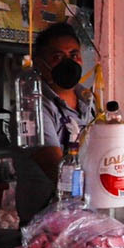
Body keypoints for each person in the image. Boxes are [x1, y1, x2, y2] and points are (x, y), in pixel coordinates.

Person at [30, 21, 92, 176]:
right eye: (57, 57)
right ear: (39, 64)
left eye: (74, 55)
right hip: (55, 192)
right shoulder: (33, 109)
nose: (68, 62)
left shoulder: (90, 101)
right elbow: (59, 174)